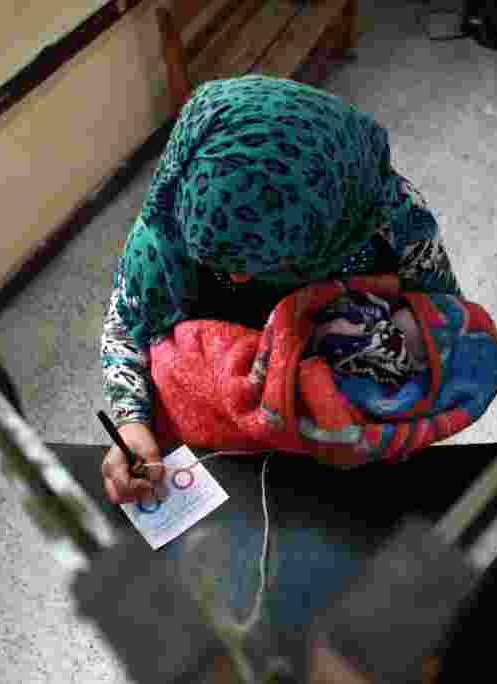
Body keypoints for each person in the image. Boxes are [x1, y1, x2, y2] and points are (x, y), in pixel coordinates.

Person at [100, 75, 464, 504]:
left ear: (333, 228)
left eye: (269, 262)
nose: (236, 279)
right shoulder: (173, 215)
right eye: (215, 261)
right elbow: (126, 324)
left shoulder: (391, 221)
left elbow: (446, 322)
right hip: (222, 431)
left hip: (346, 423)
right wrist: (131, 422)